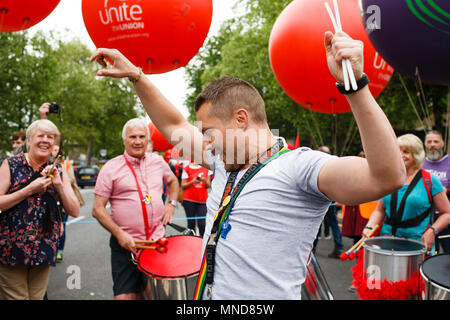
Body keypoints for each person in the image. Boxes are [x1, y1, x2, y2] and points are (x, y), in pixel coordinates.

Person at [90, 30, 406, 299]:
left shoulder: (299, 167)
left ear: (241, 119)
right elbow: (174, 127)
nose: (206, 142)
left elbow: (387, 177)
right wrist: (136, 76)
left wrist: (356, 86)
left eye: (209, 132)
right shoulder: (221, 160)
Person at [92, 118, 179, 300]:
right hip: (125, 244)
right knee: (126, 297)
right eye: (132, 137)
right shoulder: (110, 168)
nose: (137, 141)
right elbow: (97, 209)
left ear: (147, 139)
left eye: (141, 136)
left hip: (156, 243)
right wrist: (119, 234)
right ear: (124, 140)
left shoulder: (157, 161)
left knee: (157, 295)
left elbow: (172, 182)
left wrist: (171, 204)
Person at [0, 119, 80, 300]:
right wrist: (29, 190)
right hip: (11, 248)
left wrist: (59, 185)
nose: (45, 140)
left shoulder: (58, 168)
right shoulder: (11, 164)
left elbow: (74, 210)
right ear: (29, 141)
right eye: (41, 136)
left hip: (43, 248)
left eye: (50, 137)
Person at [363, 134, 450, 252]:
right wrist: (370, 226)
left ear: (416, 154)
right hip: (386, 242)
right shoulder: (389, 178)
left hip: (417, 245)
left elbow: (447, 213)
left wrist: (432, 231)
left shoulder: (430, 181)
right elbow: (380, 210)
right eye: (398, 151)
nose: (401, 155)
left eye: (406, 152)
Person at [313, 146, 343, 258]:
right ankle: (338, 246)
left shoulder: (318, 166)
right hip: (330, 201)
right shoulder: (334, 166)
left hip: (324, 202)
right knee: (333, 224)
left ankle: (313, 248)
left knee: (317, 225)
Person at [422, 130, 450, 253]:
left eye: (436, 141)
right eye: (429, 141)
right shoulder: (419, 163)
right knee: (429, 253)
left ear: (442, 143)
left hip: (446, 218)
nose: (432, 144)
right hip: (424, 219)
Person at [181, 160, 212, 236]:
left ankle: (202, 242)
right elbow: (183, 185)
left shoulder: (207, 169)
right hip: (189, 199)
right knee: (191, 225)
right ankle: (191, 243)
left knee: (202, 224)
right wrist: (192, 182)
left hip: (202, 200)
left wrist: (204, 181)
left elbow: (208, 186)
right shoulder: (186, 168)